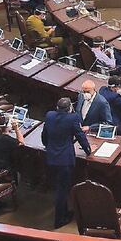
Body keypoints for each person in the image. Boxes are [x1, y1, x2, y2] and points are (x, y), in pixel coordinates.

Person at [42, 97, 91, 228]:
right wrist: (88, 150)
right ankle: (59, 220)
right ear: (70, 108)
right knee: (62, 191)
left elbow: (45, 135)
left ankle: (63, 212)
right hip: (64, 160)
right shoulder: (73, 118)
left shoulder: (50, 115)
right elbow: (80, 135)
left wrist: (47, 145)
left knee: (59, 187)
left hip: (51, 157)